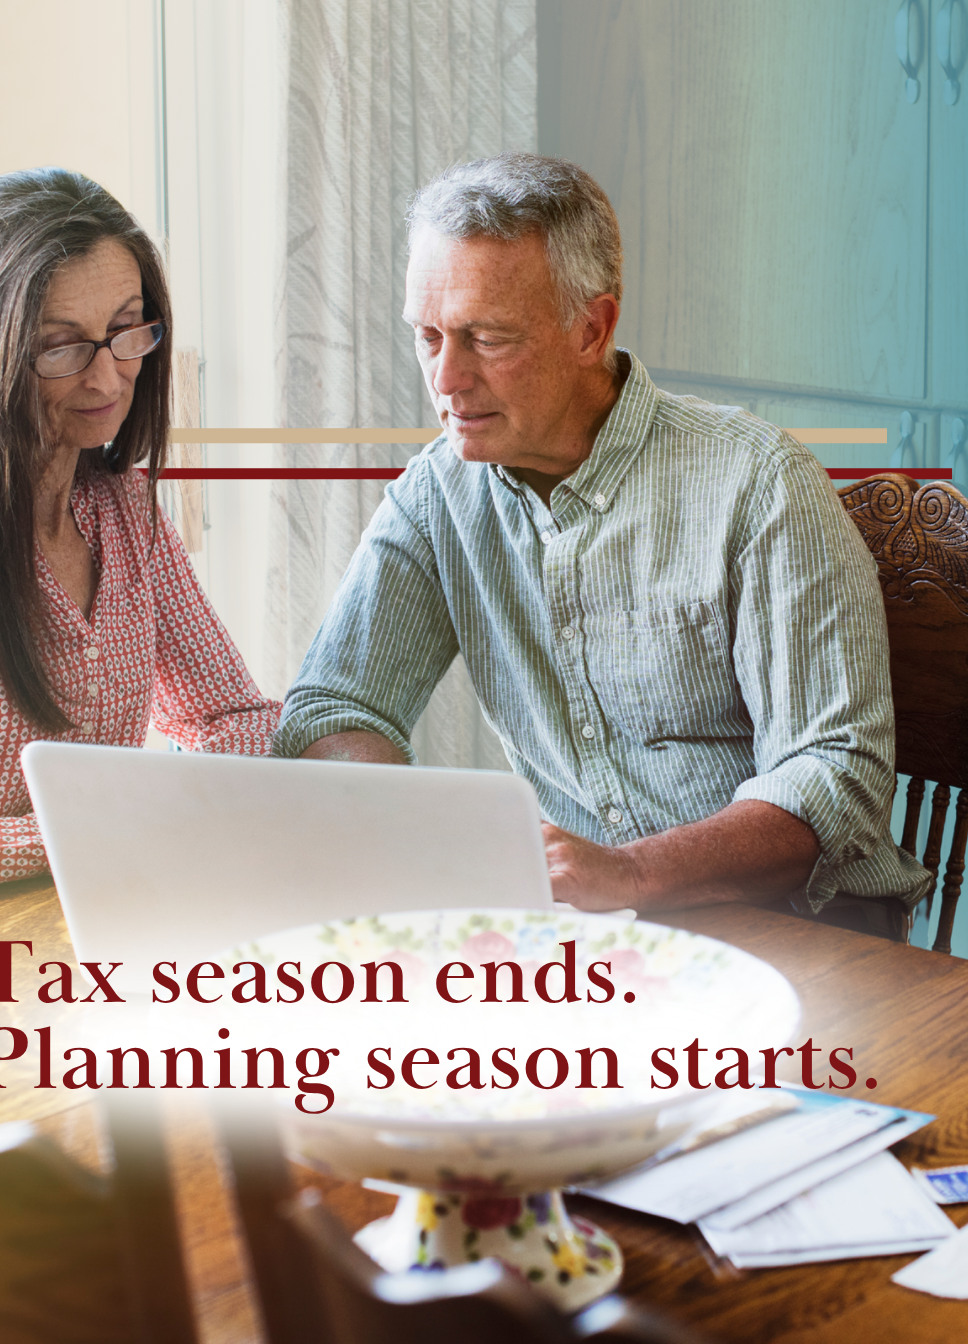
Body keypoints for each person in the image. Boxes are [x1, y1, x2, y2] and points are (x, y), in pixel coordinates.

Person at [271, 153, 930, 940]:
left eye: (487, 338)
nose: (446, 378)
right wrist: (425, 835)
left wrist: (629, 873)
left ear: (592, 328)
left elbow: (836, 777)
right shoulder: (438, 493)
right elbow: (332, 707)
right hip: (594, 939)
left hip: (804, 934)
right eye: (428, 336)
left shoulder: (758, 482)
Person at [0, 168, 280, 901]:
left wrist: (150, 811)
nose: (108, 378)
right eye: (63, 347)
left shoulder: (125, 515)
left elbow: (232, 718)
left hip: (112, 910)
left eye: (127, 331)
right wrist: (81, 831)